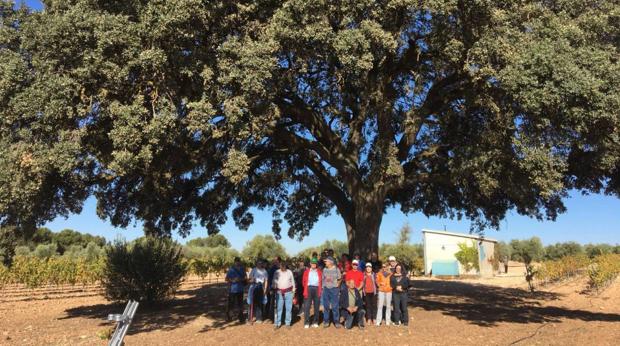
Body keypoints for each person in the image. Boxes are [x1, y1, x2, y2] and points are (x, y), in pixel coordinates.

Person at [272, 261, 296, 329]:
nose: (282, 267)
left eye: (283, 266)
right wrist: (274, 287)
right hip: (279, 292)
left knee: (289, 308)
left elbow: (293, 282)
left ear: (285, 266)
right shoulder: (277, 272)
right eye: (281, 266)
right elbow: (274, 281)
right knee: (279, 308)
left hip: (288, 292)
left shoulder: (289, 272)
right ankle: (277, 323)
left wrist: (293, 291)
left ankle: (287, 323)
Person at [321, 256, 341, 328]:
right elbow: (323, 279)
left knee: (335, 306)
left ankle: (336, 321)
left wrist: (337, 286)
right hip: (326, 289)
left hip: (334, 289)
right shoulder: (324, 269)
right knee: (326, 306)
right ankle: (326, 321)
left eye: (326, 261)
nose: (325, 262)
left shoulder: (336, 269)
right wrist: (323, 287)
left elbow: (339, 279)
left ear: (330, 262)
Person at [225, 257, 247, 323]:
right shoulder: (231, 270)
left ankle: (241, 317)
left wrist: (241, 279)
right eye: (236, 261)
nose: (237, 262)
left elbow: (245, 278)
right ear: (234, 262)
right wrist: (233, 280)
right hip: (232, 290)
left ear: (240, 262)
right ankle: (229, 317)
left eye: (238, 261)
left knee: (240, 304)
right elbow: (226, 279)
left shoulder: (242, 269)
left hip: (240, 289)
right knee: (231, 304)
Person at [302, 258, 322, 328]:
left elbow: (321, 281)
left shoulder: (319, 272)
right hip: (308, 288)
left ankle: (316, 321)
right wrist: (306, 288)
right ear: (310, 264)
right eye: (312, 263)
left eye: (315, 263)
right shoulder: (306, 271)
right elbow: (303, 281)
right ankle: (306, 322)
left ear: (316, 264)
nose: (314, 264)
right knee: (307, 306)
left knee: (316, 306)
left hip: (317, 289)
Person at [248, 259, 269, 323]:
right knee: (251, 302)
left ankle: (259, 318)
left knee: (259, 302)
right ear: (256, 263)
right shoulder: (254, 270)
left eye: (261, 263)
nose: (259, 264)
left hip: (260, 287)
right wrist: (252, 279)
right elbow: (250, 278)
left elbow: (266, 281)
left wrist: (265, 289)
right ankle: (250, 318)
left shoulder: (264, 271)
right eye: (258, 263)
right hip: (254, 286)